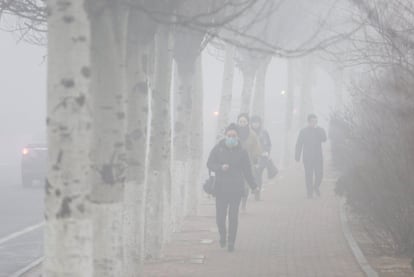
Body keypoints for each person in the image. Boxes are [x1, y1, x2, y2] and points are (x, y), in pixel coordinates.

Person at [207, 123, 258, 252]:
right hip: (220, 188)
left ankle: (231, 242)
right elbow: (210, 163)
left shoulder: (242, 151)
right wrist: (220, 167)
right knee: (220, 216)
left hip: (236, 189)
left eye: (234, 136)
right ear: (225, 136)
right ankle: (223, 236)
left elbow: (247, 170)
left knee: (233, 216)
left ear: (237, 137)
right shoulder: (218, 149)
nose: (231, 137)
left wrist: (254, 186)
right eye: (229, 135)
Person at [295, 114, 327, 198]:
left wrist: (318, 130)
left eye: (316, 121)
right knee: (308, 175)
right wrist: (297, 156)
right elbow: (299, 144)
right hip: (307, 157)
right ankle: (309, 192)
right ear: (308, 122)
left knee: (319, 174)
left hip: (318, 157)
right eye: (312, 121)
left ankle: (316, 187)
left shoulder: (320, 130)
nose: (314, 123)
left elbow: (324, 139)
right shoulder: (303, 131)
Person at [236, 113, 261, 209]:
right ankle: (236, 201)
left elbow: (256, 147)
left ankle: (243, 203)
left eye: (244, 121)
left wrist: (255, 160)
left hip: (248, 162)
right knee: (236, 183)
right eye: (240, 121)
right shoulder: (234, 133)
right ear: (238, 122)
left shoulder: (252, 134)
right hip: (235, 163)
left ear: (247, 123)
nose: (242, 123)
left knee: (246, 184)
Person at [250, 115, 273, 200]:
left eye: (257, 122)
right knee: (253, 174)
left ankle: (257, 192)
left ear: (260, 123)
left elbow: (268, 144)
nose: (255, 124)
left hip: (262, 157)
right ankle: (254, 188)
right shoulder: (249, 132)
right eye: (253, 122)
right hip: (251, 157)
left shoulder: (264, 132)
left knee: (258, 174)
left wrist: (266, 152)